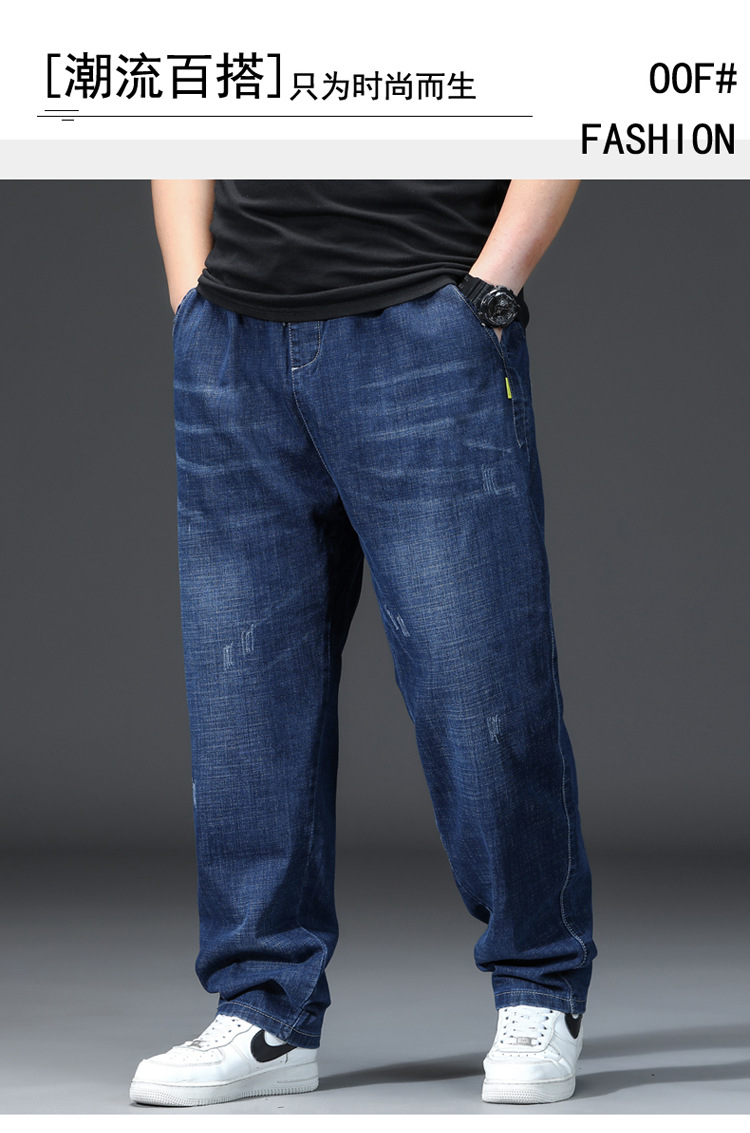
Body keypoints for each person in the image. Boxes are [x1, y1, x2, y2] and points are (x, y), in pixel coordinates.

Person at [130, 180, 596, 1108]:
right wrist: (191, 300)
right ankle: (265, 1005)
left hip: (420, 321)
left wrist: (488, 292)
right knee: (244, 701)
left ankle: (539, 984)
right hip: (235, 338)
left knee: (480, 684)